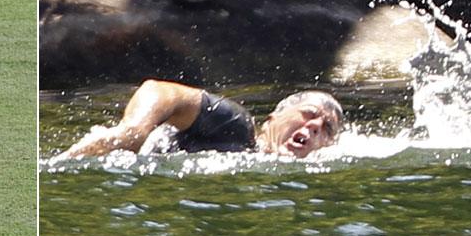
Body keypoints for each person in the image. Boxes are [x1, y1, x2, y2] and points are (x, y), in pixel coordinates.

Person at [57, 79, 344, 160]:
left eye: (326, 129)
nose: (315, 126)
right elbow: (164, 91)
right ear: (274, 117)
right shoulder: (236, 126)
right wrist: (133, 130)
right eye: (308, 114)